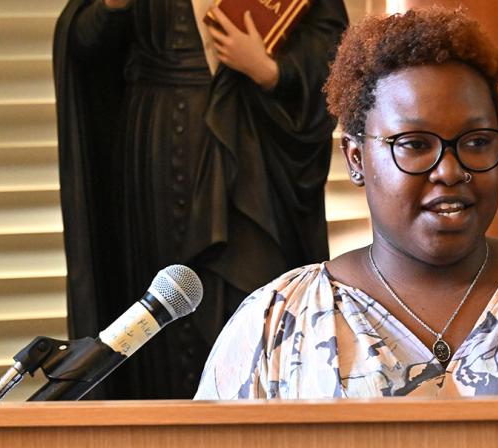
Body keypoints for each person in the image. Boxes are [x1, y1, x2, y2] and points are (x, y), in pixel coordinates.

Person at [195, 7, 498, 447]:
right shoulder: (275, 324)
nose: (451, 170)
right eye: (415, 144)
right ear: (355, 157)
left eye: (476, 141)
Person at [53, 0, 348, 399]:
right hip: (155, 156)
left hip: (255, 154)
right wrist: (111, 8)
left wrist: (272, 71)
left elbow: (329, 42)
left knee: (257, 296)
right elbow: (85, 47)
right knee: (159, 314)